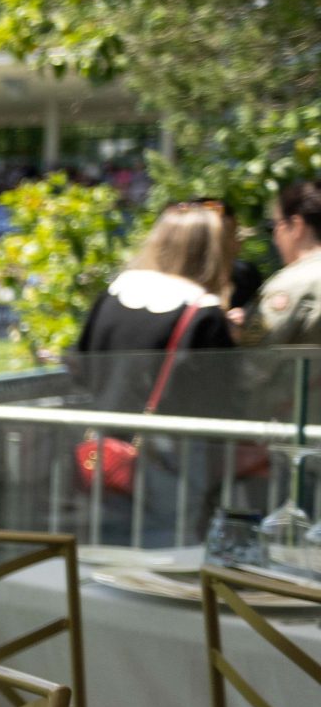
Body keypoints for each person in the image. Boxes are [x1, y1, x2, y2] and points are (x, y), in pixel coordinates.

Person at [70, 200, 247, 542]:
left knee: (102, 551)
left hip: (103, 446)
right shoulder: (204, 313)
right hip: (170, 458)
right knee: (164, 557)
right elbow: (220, 398)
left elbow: (82, 368)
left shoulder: (114, 293)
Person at [256, 180, 321, 348]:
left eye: (273, 226)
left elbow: (252, 358)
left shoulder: (292, 283)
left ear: (297, 226)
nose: (275, 238)